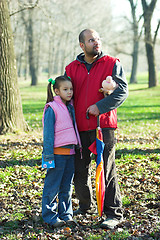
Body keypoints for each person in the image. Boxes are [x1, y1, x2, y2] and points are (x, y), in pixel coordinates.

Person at [65, 29, 128, 229]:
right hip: (79, 127)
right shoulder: (71, 68)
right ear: (82, 45)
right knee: (79, 171)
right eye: (91, 40)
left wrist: (99, 107)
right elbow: (66, 96)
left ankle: (113, 213)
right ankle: (86, 207)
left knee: (107, 170)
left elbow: (122, 92)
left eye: (98, 39)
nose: (96, 42)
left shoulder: (112, 63)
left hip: (104, 127)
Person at [42, 76, 81, 228]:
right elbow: (48, 135)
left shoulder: (70, 107)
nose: (69, 92)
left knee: (66, 187)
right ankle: (50, 216)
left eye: (71, 89)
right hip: (57, 155)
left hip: (70, 155)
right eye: (65, 89)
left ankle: (66, 214)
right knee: (52, 187)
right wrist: (48, 157)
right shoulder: (52, 108)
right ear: (57, 91)